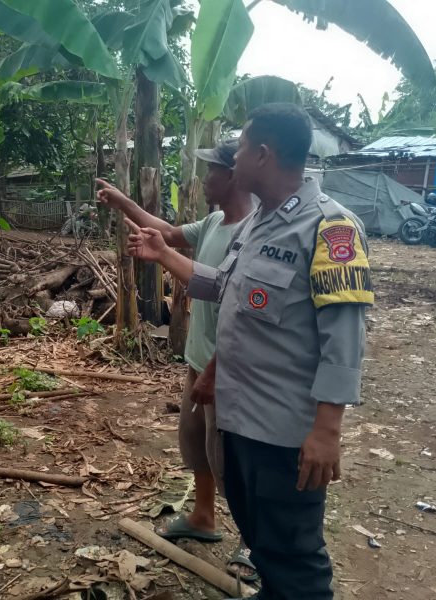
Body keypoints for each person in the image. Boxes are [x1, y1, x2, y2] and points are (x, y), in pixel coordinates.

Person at [125, 103, 373, 600]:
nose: (232, 159)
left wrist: (327, 430)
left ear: (263, 154)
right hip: (240, 421)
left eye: (238, 148)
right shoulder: (259, 222)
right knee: (263, 542)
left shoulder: (331, 230)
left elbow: (344, 336)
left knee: (295, 555)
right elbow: (225, 286)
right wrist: (164, 253)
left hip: (283, 433)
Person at [96, 140, 257, 581]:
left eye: (211, 172)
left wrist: (216, 368)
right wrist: (122, 202)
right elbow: (165, 234)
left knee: (233, 459)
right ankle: (203, 516)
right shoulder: (214, 222)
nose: (204, 179)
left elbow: (246, 309)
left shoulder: (256, 233)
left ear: (232, 177)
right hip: (199, 357)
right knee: (194, 443)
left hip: (229, 365)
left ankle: (254, 543)